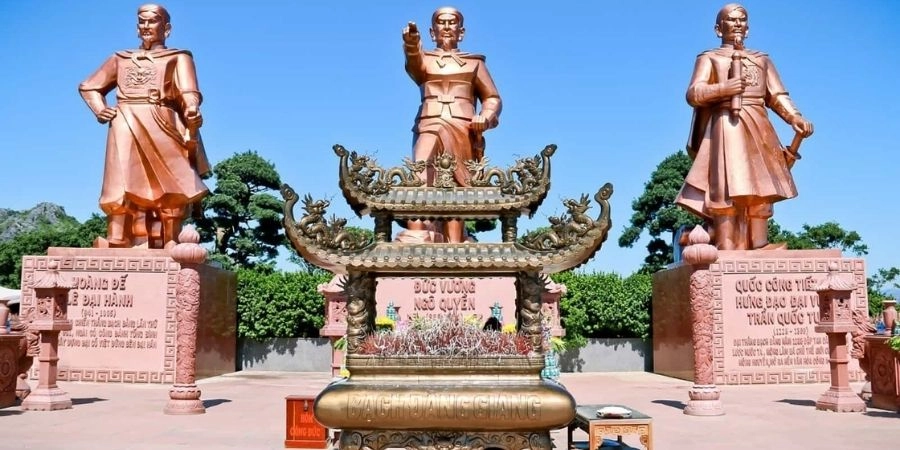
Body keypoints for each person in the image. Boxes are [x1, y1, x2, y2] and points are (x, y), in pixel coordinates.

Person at [675, 3, 814, 250]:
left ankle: (760, 244)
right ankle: (726, 245)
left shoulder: (762, 59)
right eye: (731, 19)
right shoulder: (709, 58)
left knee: (762, 185)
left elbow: (777, 95)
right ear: (718, 29)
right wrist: (723, 89)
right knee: (725, 186)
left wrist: (795, 117)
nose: (737, 23)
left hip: (759, 124)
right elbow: (694, 93)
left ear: (748, 28)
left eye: (742, 19)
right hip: (726, 125)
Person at [78, 4, 210, 249]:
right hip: (125, 120)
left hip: (162, 118)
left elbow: (188, 91)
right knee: (120, 178)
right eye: (142, 21)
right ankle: (117, 236)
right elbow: (89, 86)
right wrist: (99, 108)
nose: (146, 26)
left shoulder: (178, 57)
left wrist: (192, 107)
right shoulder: (120, 58)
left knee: (173, 179)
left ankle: (170, 238)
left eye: (152, 21)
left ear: (166, 28)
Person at [401, 7, 502, 243]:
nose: (447, 27)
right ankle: (417, 229)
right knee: (420, 171)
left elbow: (492, 98)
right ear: (432, 32)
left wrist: (486, 117)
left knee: (457, 180)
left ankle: (455, 239)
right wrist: (411, 45)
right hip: (429, 122)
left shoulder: (474, 63)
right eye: (441, 22)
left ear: (461, 31)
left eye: (452, 22)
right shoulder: (425, 60)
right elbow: (414, 66)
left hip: (462, 126)